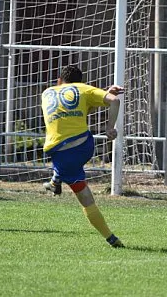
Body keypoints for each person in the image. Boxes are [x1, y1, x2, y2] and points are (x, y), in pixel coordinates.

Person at [41, 65, 124, 248]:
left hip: (61, 150)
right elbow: (114, 101)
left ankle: (56, 181)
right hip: (84, 145)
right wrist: (110, 127)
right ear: (80, 82)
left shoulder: (47, 93)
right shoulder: (84, 89)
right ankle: (112, 239)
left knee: (86, 200)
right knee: (80, 187)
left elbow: (71, 111)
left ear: (59, 81)